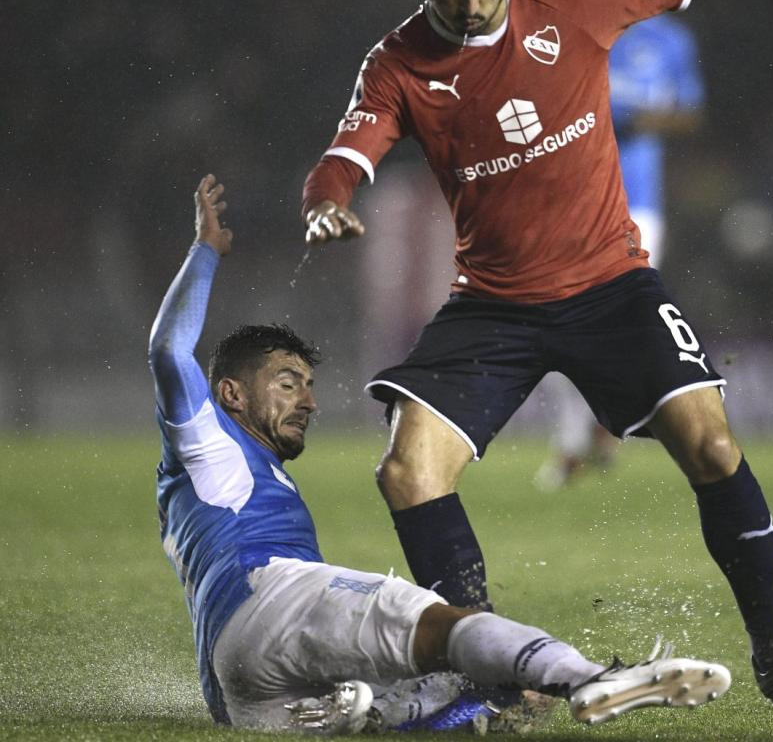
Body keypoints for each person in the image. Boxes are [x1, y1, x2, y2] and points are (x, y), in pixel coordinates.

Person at [301, 0, 773, 714]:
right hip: (494, 302)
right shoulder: (397, 64)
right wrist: (326, 200)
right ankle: (485, 676)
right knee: (406, 472)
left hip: (611, 285)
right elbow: (347, 154)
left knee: (715, 448)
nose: (468, 3)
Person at [149, 174, 731, 733]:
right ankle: (591, 678)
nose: (308, 402)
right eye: (286, 383)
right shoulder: (207, 440)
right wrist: (205, 250)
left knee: (451, 698)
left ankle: (398, 708)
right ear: (228, 393)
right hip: (271, 601)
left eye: (308, 386)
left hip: (237, 686)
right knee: (440, 624)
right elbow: (170, 350)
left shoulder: (203, 481)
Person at [535, 0, 706, 491]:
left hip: (639, 202)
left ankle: (591, 439)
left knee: (621, 322)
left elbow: (691, 114)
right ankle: (592, 435)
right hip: (572, 197)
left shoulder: (671, 40)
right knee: (561, 317)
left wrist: (638, 118)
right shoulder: (572, 32)